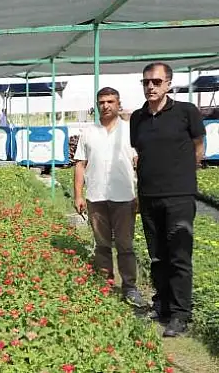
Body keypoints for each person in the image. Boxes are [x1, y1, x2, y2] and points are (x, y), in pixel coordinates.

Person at [130, 62, 205, 337]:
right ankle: (161, 305)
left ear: (168, 85)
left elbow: (198, 145)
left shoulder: (186, 111)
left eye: (156, 82)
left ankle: (180, 314)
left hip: (179, 195)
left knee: (179, 256)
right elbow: (140, 151)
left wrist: (183, 174)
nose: (150, 86)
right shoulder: (137, 118)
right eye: (146, 82)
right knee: (157, 256)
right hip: (149, 195)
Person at [73, 87, 145, 307]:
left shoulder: (130, 131)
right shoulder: (89, 132)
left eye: (110, 101)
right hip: (96, 196)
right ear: (97, 105)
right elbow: (80, 164)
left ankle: (130, 288)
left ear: (118, 104)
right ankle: (106, 284)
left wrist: (141, 194)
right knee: (102, 244)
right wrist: (78, 195)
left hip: (124, 196)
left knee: (125, 245)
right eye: (102, 102)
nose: (105, 106)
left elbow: (140, 163)